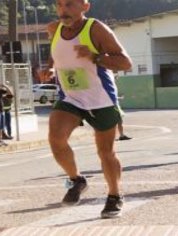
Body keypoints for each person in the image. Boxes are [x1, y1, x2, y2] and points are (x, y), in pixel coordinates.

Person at [39, 0, 132, 218]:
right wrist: (50, 69)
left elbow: (125, 62)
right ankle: (76, 180)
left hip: (101, 98)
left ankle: (114, 195)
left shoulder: (96, 29)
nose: (64, 10)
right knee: (56, 137)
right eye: (60, 5)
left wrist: (95, 57)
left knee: (105, 152)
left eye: (70, 5)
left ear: (85, 7)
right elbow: (57, 53)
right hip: (71, 97)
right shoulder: (54, 29)